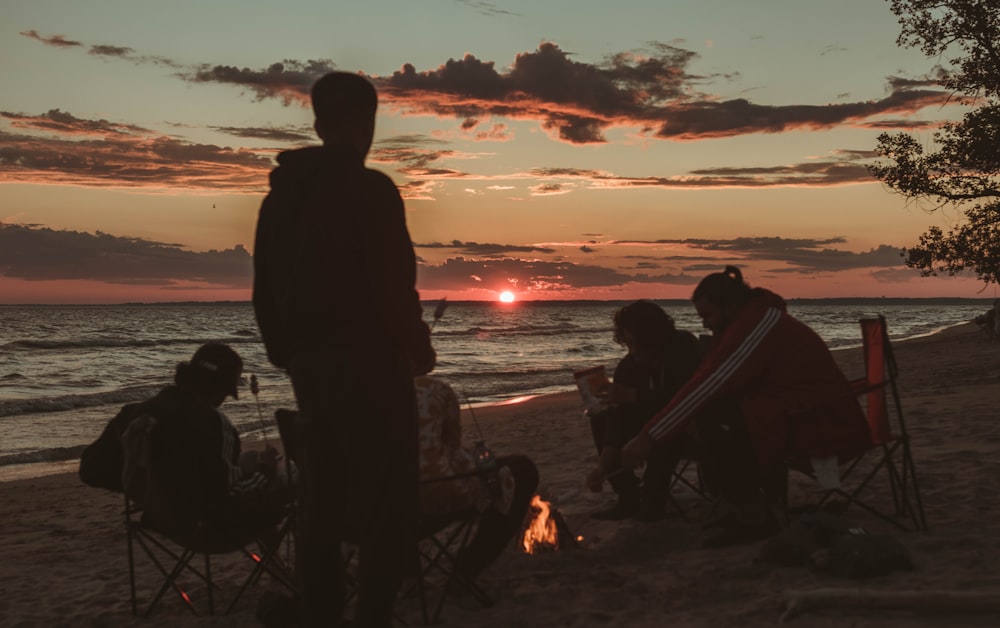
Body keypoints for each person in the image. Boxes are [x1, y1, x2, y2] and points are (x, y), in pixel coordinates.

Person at [252, 71, 435, 628]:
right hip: (371, 363)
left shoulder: (278, 201)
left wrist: (288, 353)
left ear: (318, 123)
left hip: (310, 368)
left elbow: (263, 290)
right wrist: (418, 346)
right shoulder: (371, 190)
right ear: (367, 123)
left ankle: (320, 613)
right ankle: (372, 615)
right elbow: (390, 285)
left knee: (323, 504)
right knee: (385, 503)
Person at [620, 267, 872, 546]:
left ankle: (754, 517)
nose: (705, 325)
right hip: (789, 412)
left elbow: (711, 381)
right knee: (711, 413)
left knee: (713, 418)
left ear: (729, 306)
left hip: (817, 423)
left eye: (708, 316)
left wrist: (649, 436)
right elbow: (710, 377)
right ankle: (739, 505)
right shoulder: (747, 323)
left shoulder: (759, 325)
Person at [79, 343, 287, 544]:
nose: (222, 401)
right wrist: (265, 470)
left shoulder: (133, 414)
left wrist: (145, 487)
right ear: (217, 389)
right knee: (284, 480)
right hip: (207, 530)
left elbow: (90, 469)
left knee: (248, 460)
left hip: (159, 521)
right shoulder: (213, 425)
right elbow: (231, 495)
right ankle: (284, 567)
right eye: (225, 393)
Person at [585, 300, 702, 521]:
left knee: (660, 429)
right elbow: (619, 421)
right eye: (628, 344)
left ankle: (653, 499)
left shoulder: (683, 348)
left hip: (688, 426)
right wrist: (602, 467)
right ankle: (627, 495)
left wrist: (633, 396)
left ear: (655, 336)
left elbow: (686, 398)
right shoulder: (629, 366)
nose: (633, 351)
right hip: (645, 427)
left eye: (638, 343)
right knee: (602, 416)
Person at [415, 375, 539, 581]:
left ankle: (408, 571)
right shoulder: (432, 390)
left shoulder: (348, 388)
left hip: (360, 519)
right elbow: (451, 446)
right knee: (521, 470)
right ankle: (468, 566)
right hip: (425, 509)